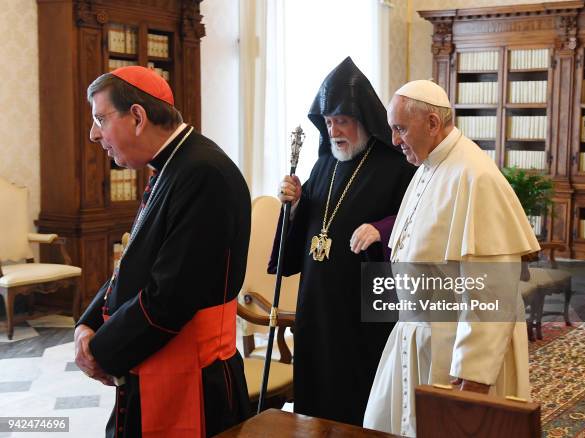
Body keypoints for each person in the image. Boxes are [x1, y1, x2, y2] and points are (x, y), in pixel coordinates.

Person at [74, 66, 251, 438]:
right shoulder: (173, 166)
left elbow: (170, 297)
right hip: (158, 357)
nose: (93, 134)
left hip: (193, 378)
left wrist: (101, 353)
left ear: (137, 116)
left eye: (100, 119)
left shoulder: (203, 173)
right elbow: (134, 263)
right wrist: (87, 324)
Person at [363, 80, 540, 437]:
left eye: (400, 129)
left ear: (432, 123)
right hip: (418, 337)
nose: (395, 140)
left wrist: (473, 375)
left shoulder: (476, 176)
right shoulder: (429, 166)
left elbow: (492, 290)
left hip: (454, 352)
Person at [269, 57, 416, 425]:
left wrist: (380, 230)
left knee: (359, 391)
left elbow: (416, 218)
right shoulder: (324, 164)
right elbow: (312, 227)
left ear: (364, 121)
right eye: (329, 122)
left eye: (343, 121)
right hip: (318, 301)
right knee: (316, 388)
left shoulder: (395, 165)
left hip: (364, 306)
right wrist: (297, 203)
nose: (334, 131)